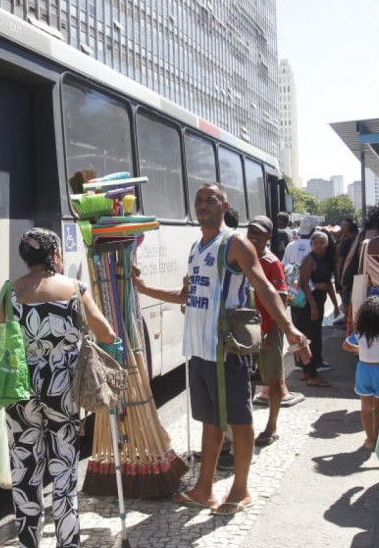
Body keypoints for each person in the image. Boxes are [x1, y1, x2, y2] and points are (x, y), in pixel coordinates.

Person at [134, 183, 309, 515]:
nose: (202, 205)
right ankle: (204, 489)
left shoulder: (236, 244)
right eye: (198, 200)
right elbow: (187, 295)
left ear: (223, 205)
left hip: (226, 351)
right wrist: (144, 287)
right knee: (211, 422)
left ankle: (240, 490)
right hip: (199, 350)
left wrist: (290, 329)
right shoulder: (197, 247)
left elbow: (266, 288)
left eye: (209, 200)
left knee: (239, 423)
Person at [2, 228, 116, 548]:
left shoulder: (12, 290)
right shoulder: (74, 288)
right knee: (63, 468)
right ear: (54, 255)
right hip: (60, 388)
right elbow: (104, 332)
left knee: (25, 469)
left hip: (20, 387)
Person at [244, 215, 292, 447]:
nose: (253, 234)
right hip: (245, 331)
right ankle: (246, 425)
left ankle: (272, 427)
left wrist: (273, 333)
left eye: (259, 232)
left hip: (268, 330)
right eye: (251, 230)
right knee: (246, 380)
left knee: (272, 381)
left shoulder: (272, 262)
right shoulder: (241, 258)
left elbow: (281, 300)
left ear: (268, 237)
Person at [343, 295, 379, 450]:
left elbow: (345, 345)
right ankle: (377, 435)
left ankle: (369, 438)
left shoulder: (360, 334)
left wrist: (360, 350)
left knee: (365, 407)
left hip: (363, 369)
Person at [297, 231, 337, 387]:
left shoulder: (325, 259)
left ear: (327, 243)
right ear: (311, 244)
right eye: (316, 242)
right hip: (309, 305)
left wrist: (335, 305)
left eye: (322, 242)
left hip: (319, 302)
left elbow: (328, 284)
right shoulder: (309, 259)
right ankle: (312, 375)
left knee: (312, 338)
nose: (319, 245)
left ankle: (307, 371)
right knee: (312, 340)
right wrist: (313, 305)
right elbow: (304, 283)